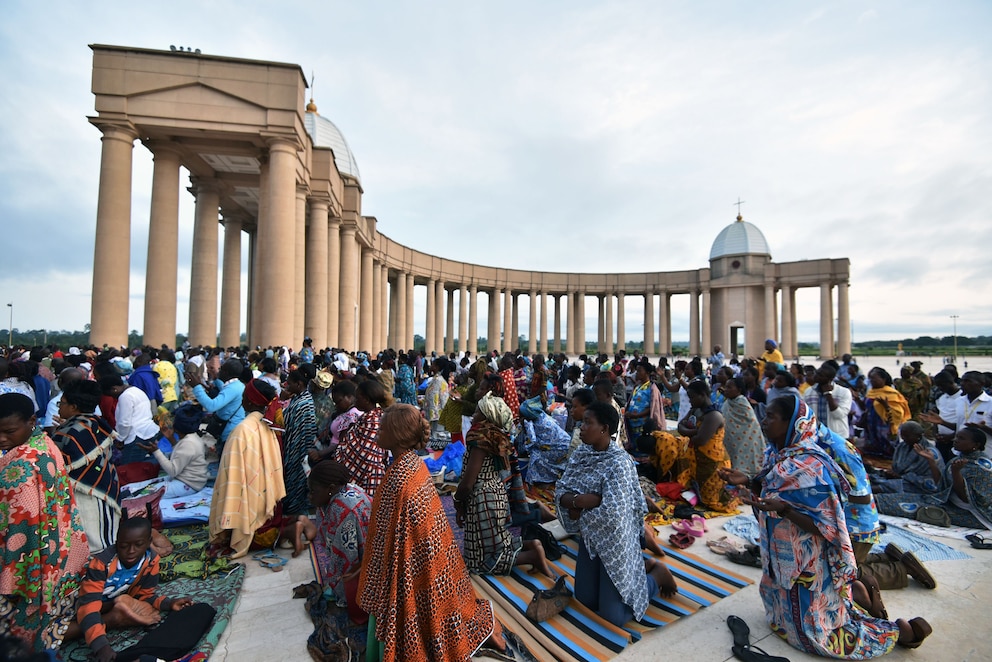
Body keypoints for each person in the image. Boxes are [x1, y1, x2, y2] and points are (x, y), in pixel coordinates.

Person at [719, 396, 932, 656]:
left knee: (816, 634)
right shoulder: (778, 453)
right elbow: (771, 490)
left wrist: (785, 509)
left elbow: (830, 527)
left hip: (807, 557)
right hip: (781, 549)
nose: (763, 421)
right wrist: (750, 481)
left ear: (792, 424)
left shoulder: (812, 466)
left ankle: (897, 630)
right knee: (782, 603)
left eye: (771, 417)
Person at [358, 403, 516, 661]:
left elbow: (392, 534)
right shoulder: (412, 465)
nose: (378, 432)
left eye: (383, 428)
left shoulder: (401, 478)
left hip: (415, 562)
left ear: (396, 434)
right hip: (428, 559)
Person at [556, 401, 677, 627]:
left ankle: (656, 577)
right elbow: (561, 489)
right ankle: (643, 569)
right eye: (582, 423)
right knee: (585, 600)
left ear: (604, 429)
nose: (581, 427)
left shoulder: (619, 463)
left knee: (615, 617)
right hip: (591, 539)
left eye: (587, 423)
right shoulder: (582, 454)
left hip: (617, 543)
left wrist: (578, 508)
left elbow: (612, 516)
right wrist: (582, 500)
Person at [0, 393, 89, 654]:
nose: (2, 439)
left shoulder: (22, 468)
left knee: (24, 627)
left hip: (32, 559)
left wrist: (11, 577)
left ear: (30, 421)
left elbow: (20, 528)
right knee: (54, 616)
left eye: (9, 431)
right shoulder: (44, 442)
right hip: (63, 546)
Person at [455, 380, 554, 577]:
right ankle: (532, 545)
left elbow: (468, 481)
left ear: (486, 417)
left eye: (477, 412)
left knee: (481, 562)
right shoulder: (497, 436)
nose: (473, 415)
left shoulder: (480, 439)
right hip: (495, 495)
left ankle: (530, 556)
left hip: (483, 499)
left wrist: (459, 501)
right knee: (495, 541)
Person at [71, 516, 194, 662]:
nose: (130, 551)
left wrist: (169, 603)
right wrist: (101, 646)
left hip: (107, 603)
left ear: (149, 543)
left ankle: (116, 613)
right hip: (75, 603)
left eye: (138, 544)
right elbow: (88, 607)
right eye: (123, 546)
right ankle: (113, 619)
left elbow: (145, 595)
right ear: (117, 543)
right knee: (49, 635)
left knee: (126, 601)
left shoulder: (151, 560)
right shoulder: (101, 564)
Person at [208, 379, 286, 558]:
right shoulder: (268, 425)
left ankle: (234, 532)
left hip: (252, 529)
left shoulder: (242, 430)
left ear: (250, 402)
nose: (242, 401)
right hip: (270, 521)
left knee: (234, 490)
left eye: (243, 397)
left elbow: (230, 478)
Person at [293, 460, 371, 624]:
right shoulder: (347, 489)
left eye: (314, 492)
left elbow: (346, 560)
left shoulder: (342, 510)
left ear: (330, 489)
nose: (310, 496)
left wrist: (342, 592)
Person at [52, 380, 122, 552]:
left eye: (61, 403)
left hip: (86, 490)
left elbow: (58, 464)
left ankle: (99, 572)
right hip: (105, 482)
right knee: (106, 531)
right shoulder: (95, 421)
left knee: (93, 538)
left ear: (74, 407)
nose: (59, 407)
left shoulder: (70, 430)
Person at [874, 427, 992, 530]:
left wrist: (956, 473)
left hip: (972, 513)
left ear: (976, 445)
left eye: (961, 438)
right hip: (944, 501)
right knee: (887, 498)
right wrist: (931, 461)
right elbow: (941, 487)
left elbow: (968, 500)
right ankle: (871, 500)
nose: (955, 440)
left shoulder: (981, 467)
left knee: (912, 508)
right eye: (956, 437)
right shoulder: (957, 460)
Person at [137, 403, 208, 498]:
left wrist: (156, 451)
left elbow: (172, 471)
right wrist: (171, 439)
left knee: (143, 495)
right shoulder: (191, 437)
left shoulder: (189, 443)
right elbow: (180, 455)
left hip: (189, 484)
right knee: (139, 487)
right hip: (185, 478)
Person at [334, 379, 390, 497]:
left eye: (357, 398)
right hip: (369, 474)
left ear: (366, 400)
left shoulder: (373, 421)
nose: (355, 400)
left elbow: (366, 455)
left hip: (370, 477)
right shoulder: (369, 417)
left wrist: (346, 444)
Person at [99, 375, 162, 465]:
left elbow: (125, 422)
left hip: (136, 436)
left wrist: (120, 439)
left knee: (130, 467)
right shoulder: (135, 390)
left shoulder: (125, 397)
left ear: (114, 389)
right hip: (149, 430)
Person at [280, 369, 317, 517]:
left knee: (296, 480)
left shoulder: (303, 403)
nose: (286, 385)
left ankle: (295, 511)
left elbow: (284, 422)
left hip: (299, 448)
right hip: (295, 445)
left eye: (290, 382)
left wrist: (281, 401)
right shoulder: (298, 398)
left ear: (299, 384)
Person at [186, 358, 246, 451]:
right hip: (229, 425)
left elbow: (211, 406)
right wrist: (214, 378)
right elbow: (224, 391)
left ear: (227, 373)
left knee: (225, 453)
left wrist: (196, 387)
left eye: (221, 369)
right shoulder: (236, 384)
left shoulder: (233, 388)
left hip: (230, 428)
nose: (219, 371)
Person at [869, 421, 944, 494]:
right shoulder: (903, 446)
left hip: (921, 484)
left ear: (918, 436)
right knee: (873, 478)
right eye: (902, 435)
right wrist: (894, 473)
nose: (903, 438)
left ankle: (863, 495)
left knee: (886, 486)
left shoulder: (929, 452)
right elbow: (898, 467)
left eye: (906, 436)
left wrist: (902, 476)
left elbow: (932, 479)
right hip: (903, 479)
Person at [861, 368, 912, 458]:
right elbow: (866, 407)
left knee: (887, 452)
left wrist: (886, 406)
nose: (872, 381)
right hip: (871, 427)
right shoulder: (871, 393)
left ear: (883, 379)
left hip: (884, 428)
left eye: (874, 378)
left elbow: (898, 413)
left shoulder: (891, 394)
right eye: (870, 379)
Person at [720, 376, 766, 476]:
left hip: (744, 440)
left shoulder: (743, 403)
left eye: (729, 387)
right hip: (729, 440)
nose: (726, 390)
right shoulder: (727, 403)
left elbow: (750, 424)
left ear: (739, 390)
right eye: (726, 387)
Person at [803, 363, 853, 439]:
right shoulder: (809, 392)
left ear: (830, 379)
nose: (816, 376)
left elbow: (839, 415)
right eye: (817, 373)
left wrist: (828, 394)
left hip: (837, 436)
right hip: (816, 436)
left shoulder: (844, 392)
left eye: (820, 375)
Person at [625, 361, 666, 440]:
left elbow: (653, 407)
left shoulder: (651, 388)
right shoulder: (637, 386)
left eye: (639, 371)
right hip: (632, 424)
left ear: (647, 372)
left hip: (642, 424)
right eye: (637, 370)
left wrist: (636, 415)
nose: (637, 373)